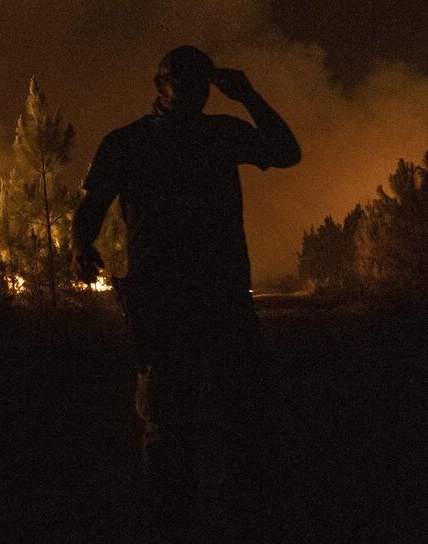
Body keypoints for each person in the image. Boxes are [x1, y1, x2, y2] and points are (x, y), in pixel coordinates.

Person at [71, 45, 300, 536]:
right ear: (161, 84)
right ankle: (179, 521)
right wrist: (81, 244)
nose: (191, 89)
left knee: (240, 416)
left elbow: (286, 153)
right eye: (181, 79)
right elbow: (93, 201)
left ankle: (244, 516)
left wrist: (250, 97)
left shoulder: (219, 133)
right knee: (171, 423)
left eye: (199, 80)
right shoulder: (128, 142)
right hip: (166, 302)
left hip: (215, 298)